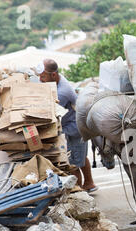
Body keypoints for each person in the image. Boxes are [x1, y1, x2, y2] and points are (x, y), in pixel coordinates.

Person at [35, 59, 98, 193]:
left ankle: (78, 191)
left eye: (43, 76)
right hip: (77, 125)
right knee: (80, 157)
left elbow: (49, 113)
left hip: (73, 129)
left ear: (53, 75)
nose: (40, 80)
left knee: (71, 163)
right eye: (39, 76)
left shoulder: (62, 92)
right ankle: (89, 183)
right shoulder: (58, 80)